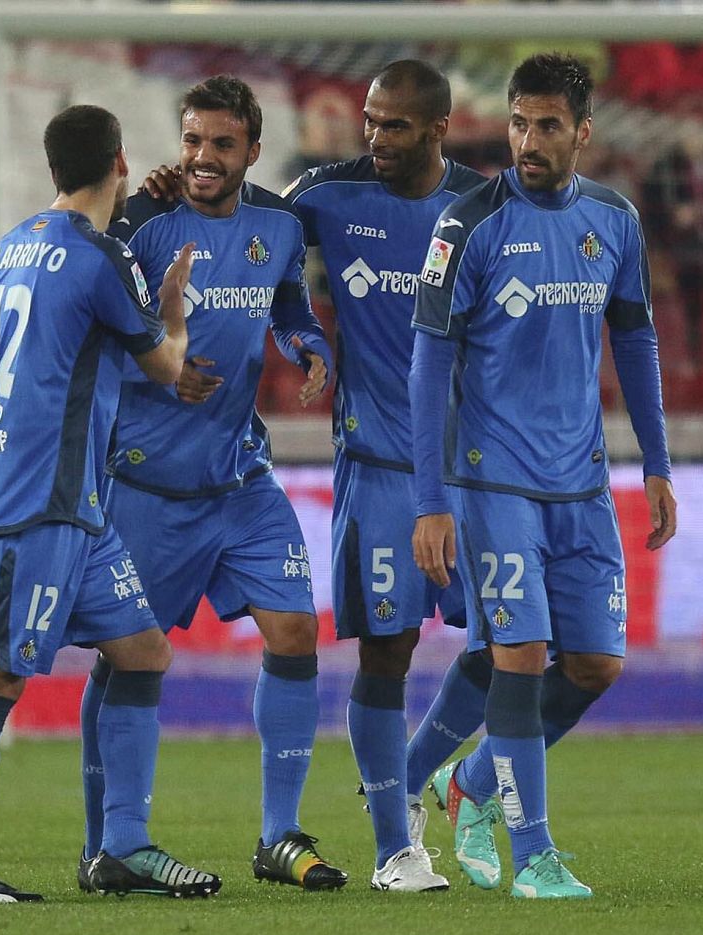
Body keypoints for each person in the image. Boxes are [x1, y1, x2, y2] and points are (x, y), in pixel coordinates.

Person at [0, 104, 221, 903]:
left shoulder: (5, 247)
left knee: (143, 650)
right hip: (34, 509)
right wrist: (175, 311)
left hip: (64, 508)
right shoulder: (102, 258)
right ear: (119, 163)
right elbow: (165, 369)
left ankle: (122, 846)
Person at [410, 53, 676, 899]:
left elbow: (634, 339)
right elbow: (427, 366)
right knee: (520, 653)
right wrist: (430, 501)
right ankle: (534, 857)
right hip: (493, 481)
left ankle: (468, 782)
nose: (528, 139)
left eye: (548, 125)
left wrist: (658, 462)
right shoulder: (467, 224)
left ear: (582, 133)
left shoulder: (614, 220)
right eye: (519, 122)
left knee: (596, 665)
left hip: (583, 482)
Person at [84, 74, 343, 893]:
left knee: (297, 633)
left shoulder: (278, 222)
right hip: (147, 485)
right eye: (192, 140)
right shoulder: (142, 222)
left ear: (252, 152)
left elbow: (290, 307)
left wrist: (310, 346)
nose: (201, 157)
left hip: (239, 477)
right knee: (128, 659)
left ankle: (278, 834)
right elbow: (100, 322)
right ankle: (112, 840)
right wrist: (160, 366)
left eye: (221, 144)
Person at [283, 60, 483, 892]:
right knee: (389, 653)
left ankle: (414, 774)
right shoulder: (327, 195)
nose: (376, 137)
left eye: (395, 125)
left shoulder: (481, 208)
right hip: (380, 467)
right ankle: (395, 844)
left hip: (474, 471)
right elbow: (248, 247)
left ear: (438, 128)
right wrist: (303, 333)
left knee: (513, 644)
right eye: (370, 120)